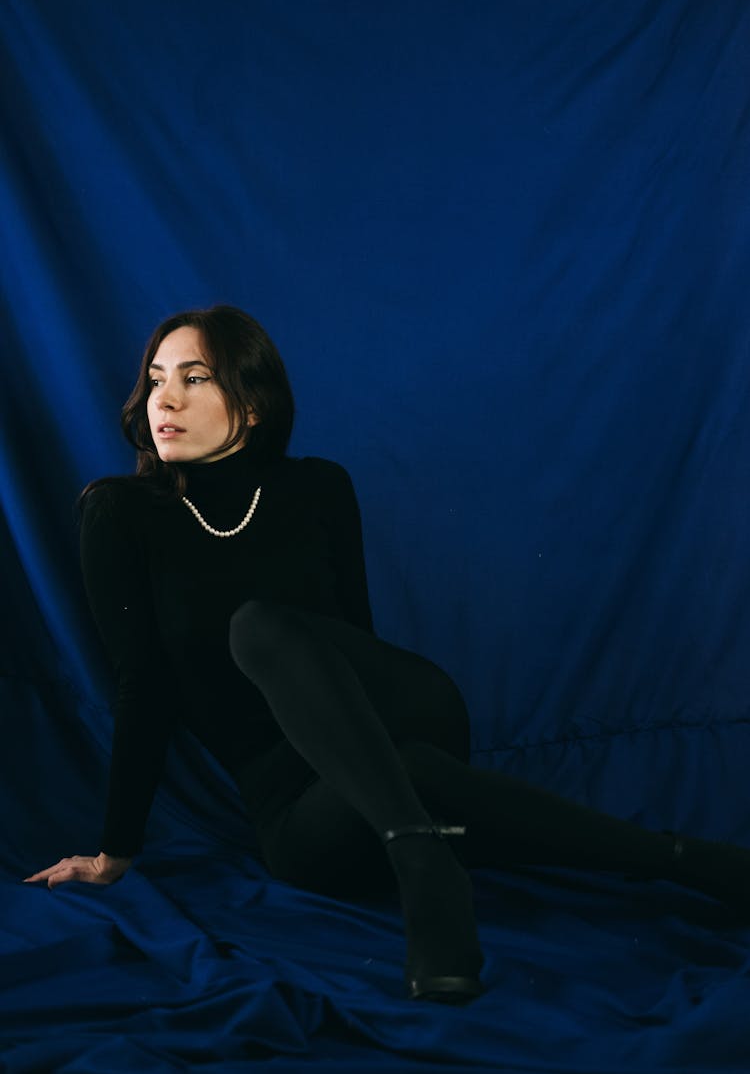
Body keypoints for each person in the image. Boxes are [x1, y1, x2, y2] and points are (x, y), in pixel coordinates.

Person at [25, 305, 750, 1003]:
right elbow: (141, 686)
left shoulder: (318, 487)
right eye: (155, 378)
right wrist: (114, 850)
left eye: (195, 377)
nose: (164, 399)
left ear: (250, 404)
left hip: (402, 712)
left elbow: (355, 638)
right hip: (300, 810)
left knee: (261, 629)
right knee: (421, 780)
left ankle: (423, 864)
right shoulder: (120, 514)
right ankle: (686, 861)